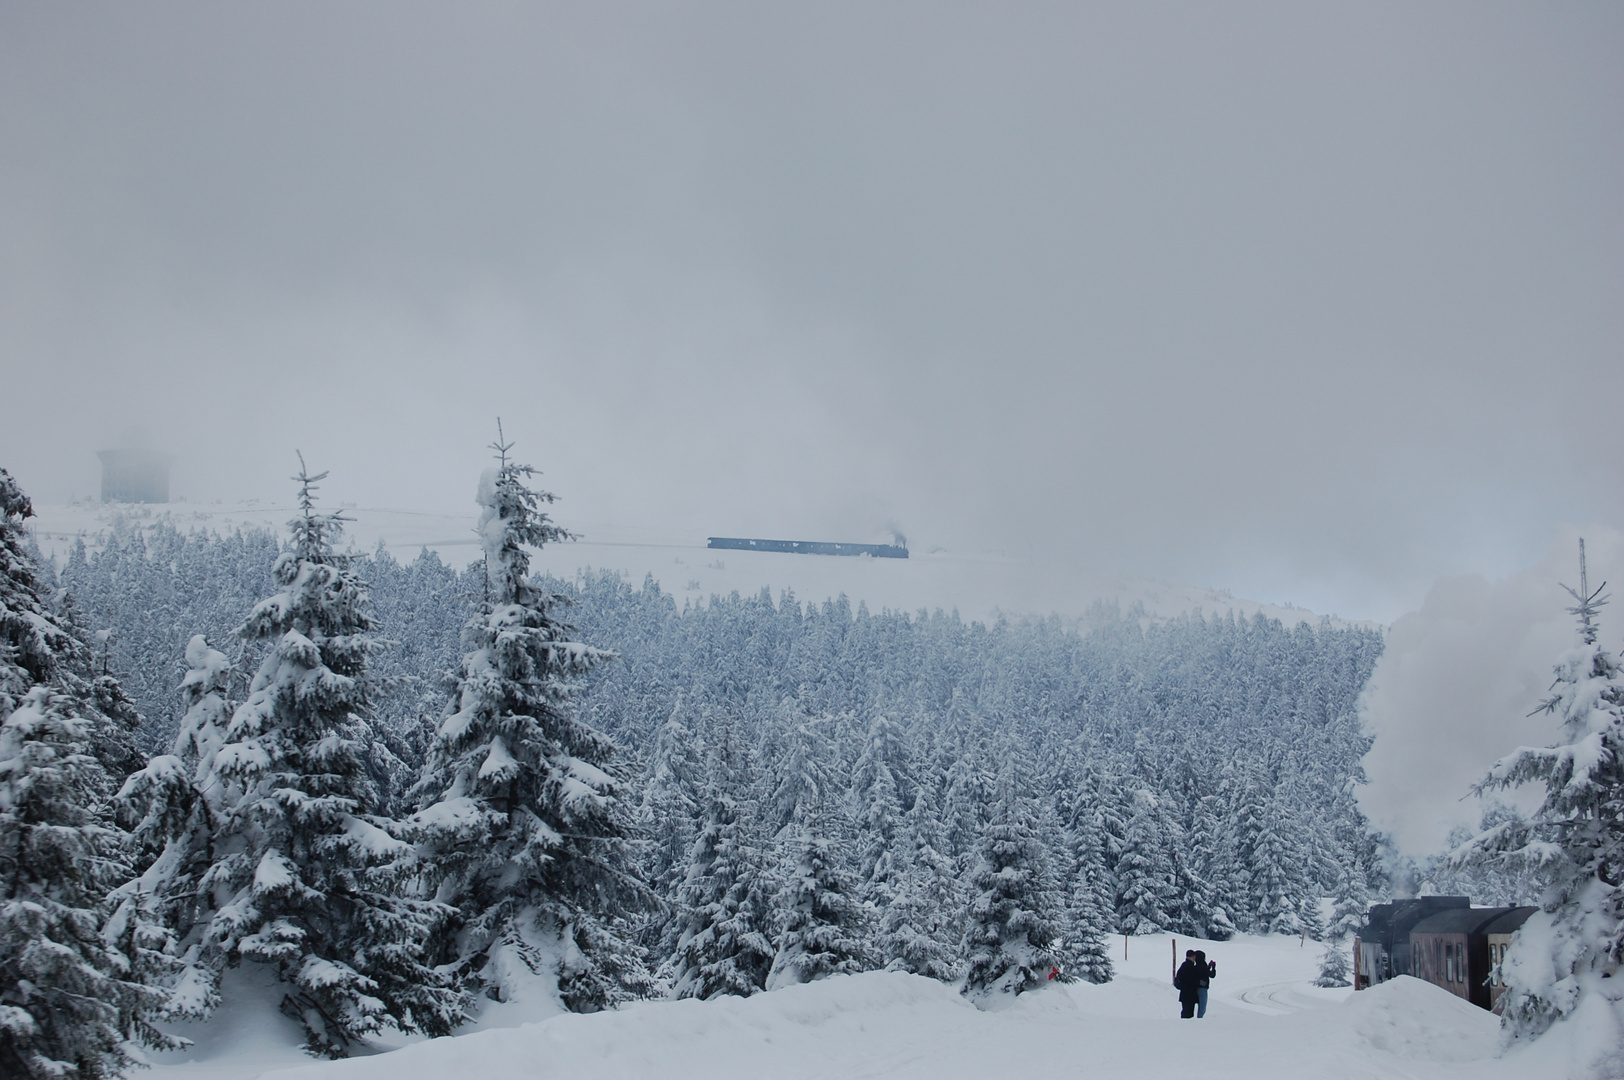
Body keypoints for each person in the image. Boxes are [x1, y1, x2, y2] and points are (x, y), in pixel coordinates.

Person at [1174, 950, 1201, 1018]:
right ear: (1190, 957)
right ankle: (1185, 1026)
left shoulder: (1186, 965)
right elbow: (1190, 979)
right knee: (1188, 1012)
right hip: (1188, 993)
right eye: (1193, 956)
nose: (1194, 958)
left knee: (1187, 1011)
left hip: (1186, 993)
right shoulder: (1188, 966)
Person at [1194, 950, 1215, 1018]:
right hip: (1203, 988)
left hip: (1196, 987)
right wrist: (1213, 968)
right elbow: (1212, 975)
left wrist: (1208, 967)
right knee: (1202, 1007)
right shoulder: (1203, 966)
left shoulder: (1196, 966)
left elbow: (1204, 972)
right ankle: (1200, 1020)